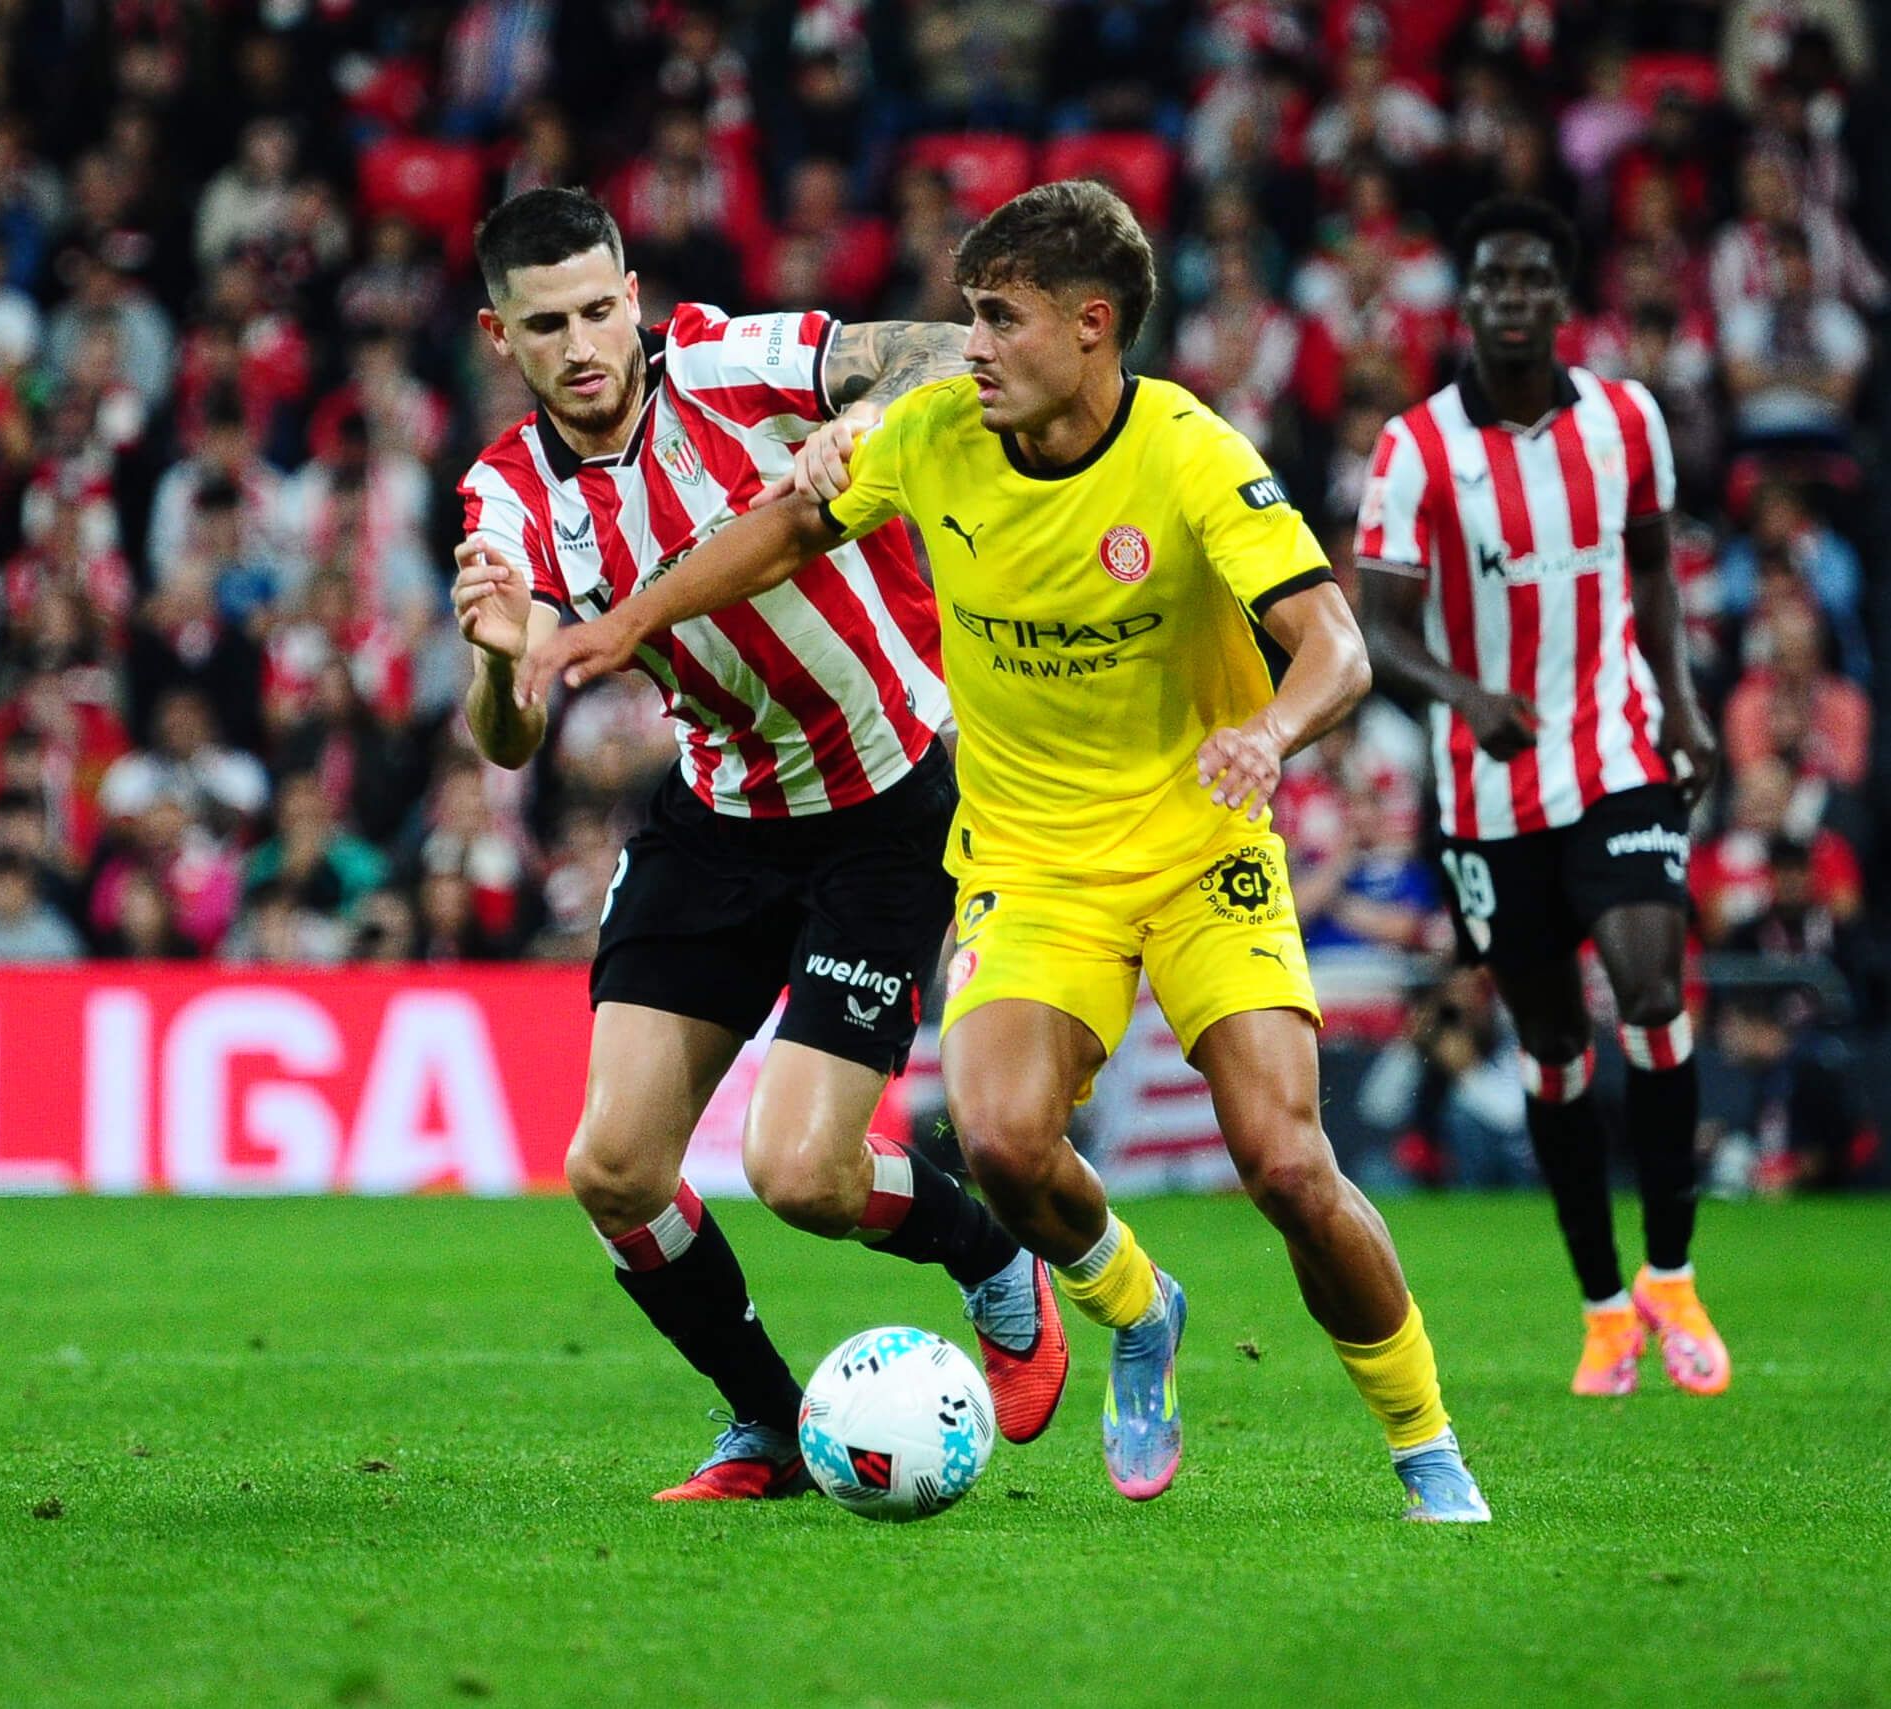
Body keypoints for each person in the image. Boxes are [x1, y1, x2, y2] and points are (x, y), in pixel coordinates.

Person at [524, 179, 1488, 1522]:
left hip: (1203, 846)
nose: (965, 343)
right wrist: (631, 625)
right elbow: (791, 528)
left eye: (998, 318)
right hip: (1031, 866)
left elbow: (1330, 644)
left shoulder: (1192, 454)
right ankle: (1138, 1311)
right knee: (1003, 1141)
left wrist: (1269, 733)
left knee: (1284, 1162)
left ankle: (1424, 1443)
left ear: (1091, 328)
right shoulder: (933, 433)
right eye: (968, 314)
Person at [454, 187, 1066, 1502]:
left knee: (801, 1174)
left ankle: (990, 1258)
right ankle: (769, 1425)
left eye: (598, 309)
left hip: (887, 801)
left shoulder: (732, 364)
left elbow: (944, 350)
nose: (580, 344)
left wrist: (856, 420)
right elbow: (504, 737)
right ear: (499, 335)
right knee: (611, 1167)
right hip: (717, 819)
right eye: (544, 322)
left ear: (633, 297)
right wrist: (504, 670)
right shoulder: (506, 496)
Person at [1355, 196, 1732, 1401]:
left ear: (1562, 302)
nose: (1512, 300)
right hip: (1489, 784)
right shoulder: (1415, 447)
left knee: (1653, 989)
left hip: (1615, 748)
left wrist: (1678, 703)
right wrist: (1468, 694)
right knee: (1555, 1039)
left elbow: (1654, 569)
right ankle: (1604, 1305)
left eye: (1532, 282)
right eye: (1491, 281)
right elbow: (1379, 624)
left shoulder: (1628, 419)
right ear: (1467, 302)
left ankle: (1670, 1272)